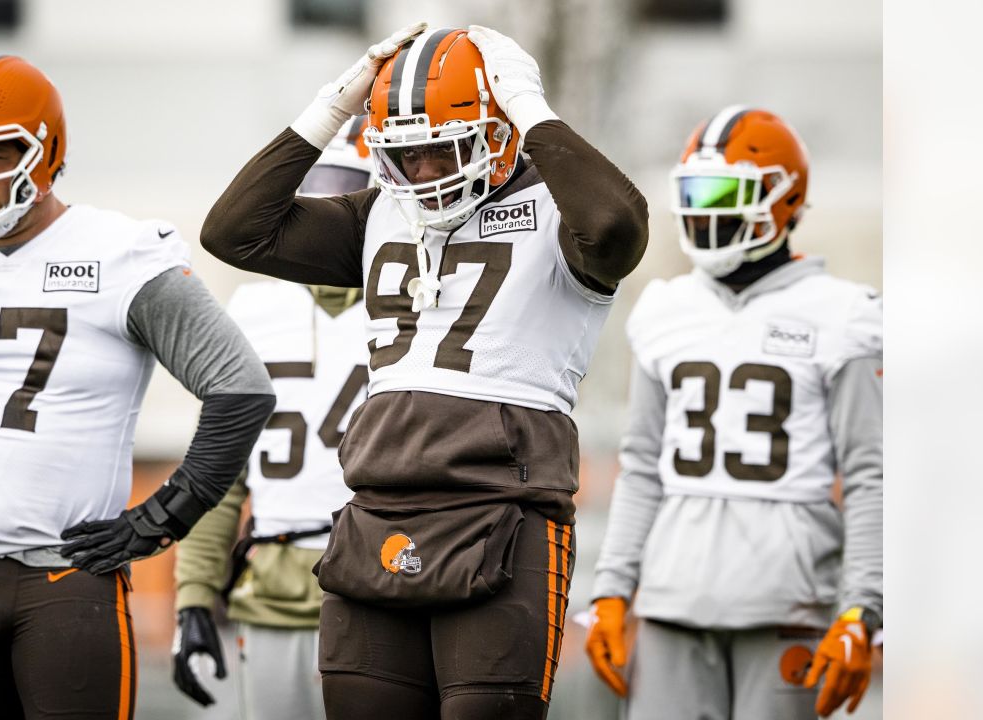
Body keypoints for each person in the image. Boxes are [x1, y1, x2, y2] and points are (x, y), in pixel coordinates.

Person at [201, 23, 648, 720]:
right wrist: (334, 106)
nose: (425, 175)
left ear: (499, 131)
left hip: (503, 511)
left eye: (442, 150)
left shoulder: (562, 215)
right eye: (405, 157)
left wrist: (530, 106)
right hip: (377, 510)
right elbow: (235, 231)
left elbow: (617, 226)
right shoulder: (378, 214)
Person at [0, 54, 275, 720]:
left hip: (64, 580)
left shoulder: (120, 254)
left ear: (45, 151)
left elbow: (240, 390)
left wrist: (165, 516)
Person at [584, 106, 882, 720]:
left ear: (781, 197)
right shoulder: (666, 309)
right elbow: (642, 466)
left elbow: (871, 474)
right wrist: (612, 590)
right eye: (693, 193)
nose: (704, 210)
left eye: (723, 192)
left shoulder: (842, 314)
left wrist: (864, 609)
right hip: (671, 603)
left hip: (785, 606)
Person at [171, 121, 374, 720]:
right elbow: (220, 471)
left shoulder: (409, 300)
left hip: (381, 589)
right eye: (310, 193)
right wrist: (193, 598)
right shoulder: (254, 309)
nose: (320, 213)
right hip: (271, 589)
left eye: (342, 193)